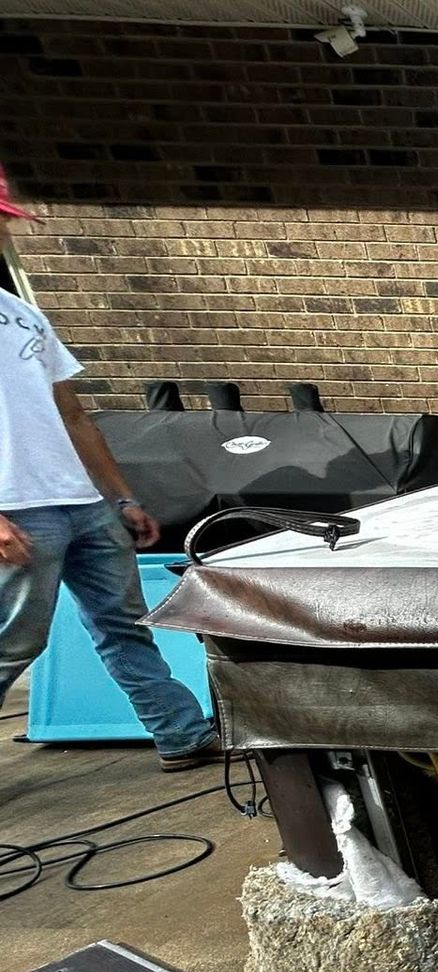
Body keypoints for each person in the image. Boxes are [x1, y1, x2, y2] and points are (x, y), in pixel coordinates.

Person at [0, 166, 220, 769]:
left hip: (83, 505)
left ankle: (180, 733)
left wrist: (120, 496)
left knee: (124, 627)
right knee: (13, 643)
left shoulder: (22, 314)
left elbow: (72, 415)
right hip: (16, 511)